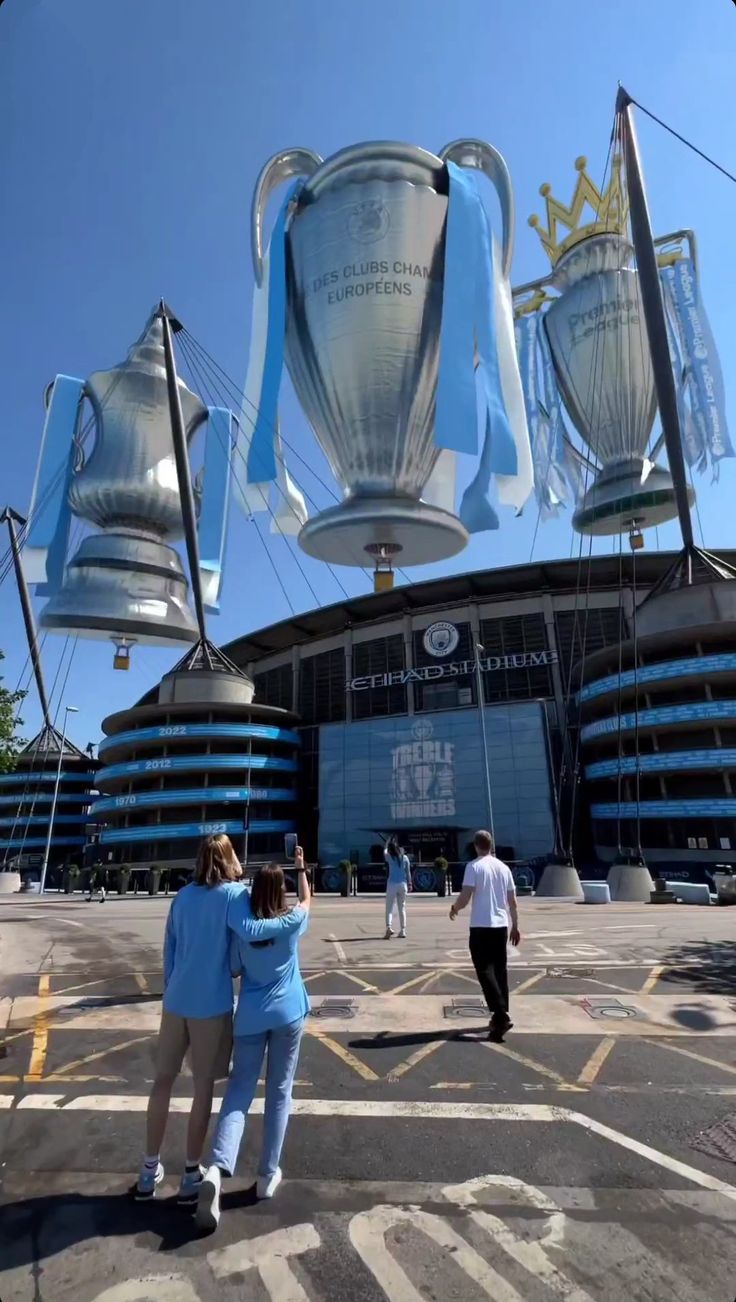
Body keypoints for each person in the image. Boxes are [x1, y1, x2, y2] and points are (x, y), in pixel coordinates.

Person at [196, 845, 311, 1233]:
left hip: (250, 1017)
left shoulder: (244, 931)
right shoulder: (292, 922)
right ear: (280, 892)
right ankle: (266, 1174)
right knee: (279, 1091)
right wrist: (301, 869)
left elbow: (230, 968)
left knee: (238, 1094)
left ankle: (216, 1168)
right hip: (289, 1013)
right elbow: (307, 901)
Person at [135, 833, 245, 1202]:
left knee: (162, 1081)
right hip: (210, 1004)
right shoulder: (234, 896)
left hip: (176, 999)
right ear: (230, 858)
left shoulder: (182, 897)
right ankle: (190, 1172)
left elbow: (169, 948)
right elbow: (237, 958)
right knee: (202, 1089)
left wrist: (173, 985)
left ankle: (148, 1169)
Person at [449, 829, 520, 1041]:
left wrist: (454, 908)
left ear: (476, 845)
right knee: (500, 970)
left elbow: (465, 896)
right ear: (491, 845)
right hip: (500, 926)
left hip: (481, 926)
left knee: (484, 970)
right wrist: (515, 926)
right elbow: (512, 902)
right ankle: (500, 1017)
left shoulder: (474, 867)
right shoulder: (504, 868)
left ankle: (500, 1013)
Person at [383, 836, 412, 939]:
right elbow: (408, 872)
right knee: (402, 908)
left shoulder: (390, 858)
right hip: (403, 885)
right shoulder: (405, 858)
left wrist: (387, 842)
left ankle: (389, 927)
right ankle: (403, 930)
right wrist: (410, 883)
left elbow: (385, 850)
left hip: (392, 884)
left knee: (389, 907)